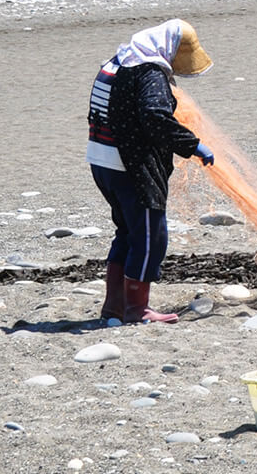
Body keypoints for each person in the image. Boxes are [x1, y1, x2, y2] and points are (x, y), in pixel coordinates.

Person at [85, 19, 215, 324]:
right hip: (129, 167)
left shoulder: (116, 63)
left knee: (127, 233)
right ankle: (137, 310)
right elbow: (154, 115)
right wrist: (192, 145)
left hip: (102, 163)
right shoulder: (148, 73)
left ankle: (113, 308)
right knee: (149, 236)